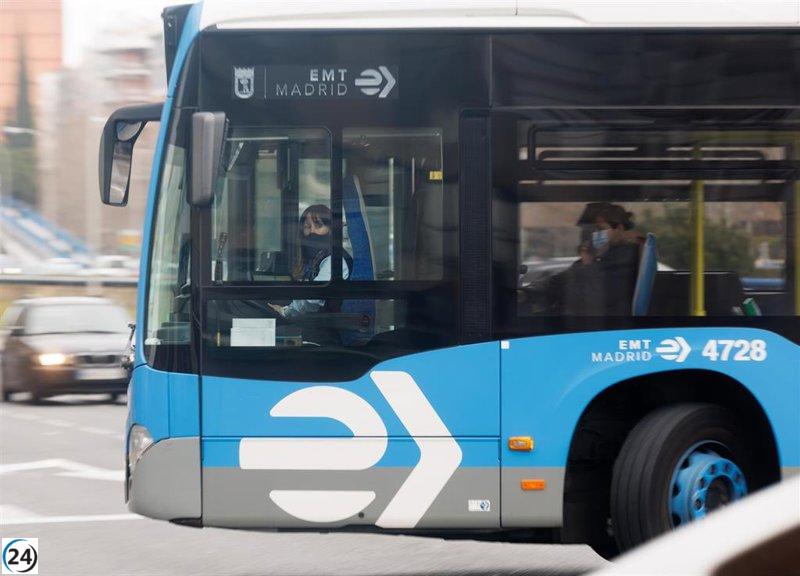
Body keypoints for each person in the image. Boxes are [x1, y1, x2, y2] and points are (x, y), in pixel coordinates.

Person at [268, 204, 351, 318]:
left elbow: (313, 298)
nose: (312, 231)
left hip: (328, 327)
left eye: (319, 225)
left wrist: (286, 311)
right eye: (307, 226)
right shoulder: (314, 259)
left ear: (330, 229)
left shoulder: (334, 260)